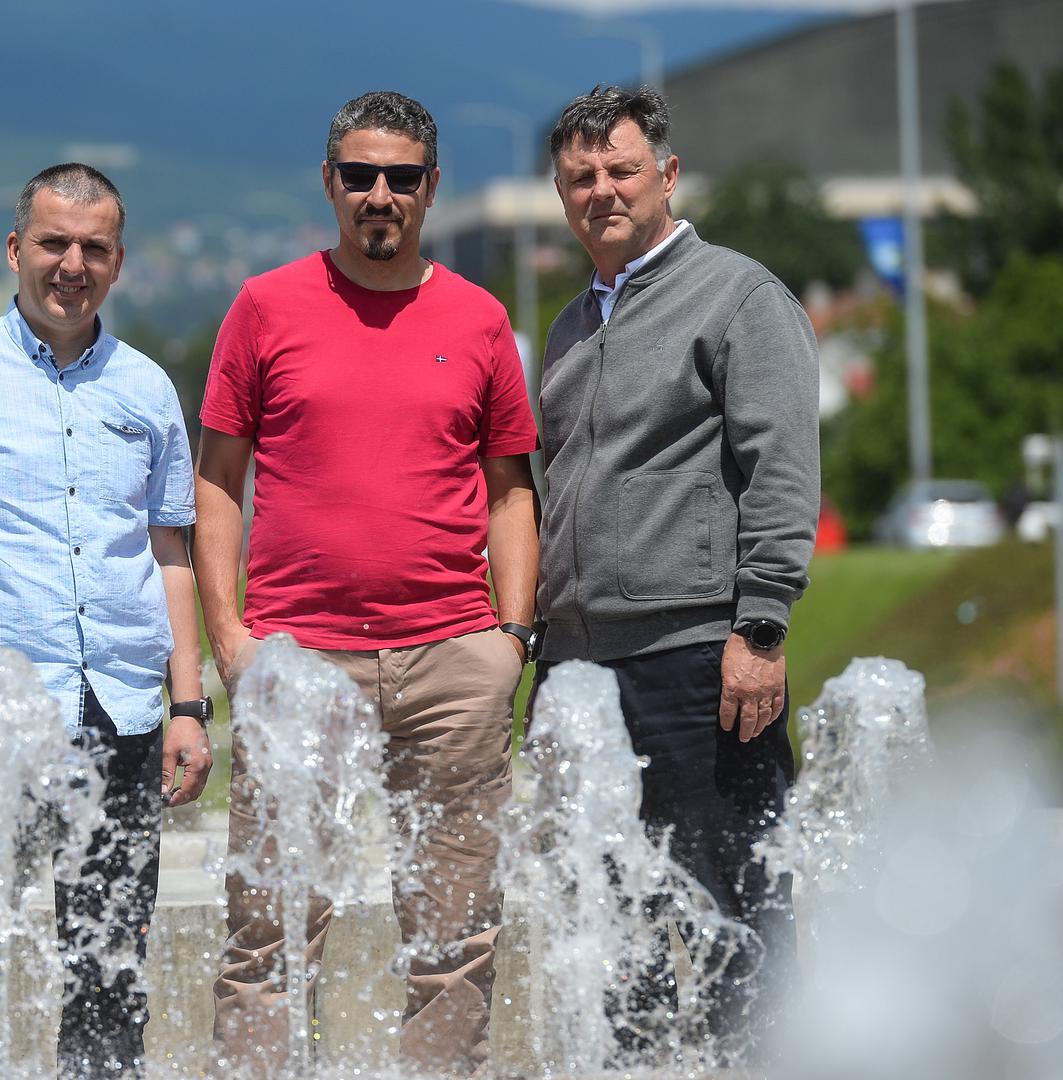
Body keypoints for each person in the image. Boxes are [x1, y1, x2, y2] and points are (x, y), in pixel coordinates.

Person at [194, 90, 541, 1076]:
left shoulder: (479, 320)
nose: (378, 194)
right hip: (298, 664)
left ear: (431, 188)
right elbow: (218, 484)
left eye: (400, 177)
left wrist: (508, 643)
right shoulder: (264, 307)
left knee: (456, 934)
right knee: (267, 938)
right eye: (359, 176)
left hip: (451, 663)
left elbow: (512, 493)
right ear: (330, 184)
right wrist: (232, 643)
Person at [0, 163, 212, 1079]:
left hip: (122, 712)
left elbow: (169, 555)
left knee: (111, 962)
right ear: (16, 250)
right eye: (54, 242)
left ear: (119, 261)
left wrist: (188, 706)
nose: (72, 264)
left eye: (93, 248)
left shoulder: (147, 391)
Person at [535, 86, 820, 1055]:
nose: (602, 191)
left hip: (699, 653)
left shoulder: (739, 295)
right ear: (561, 194)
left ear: (667, 175)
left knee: (737, 894)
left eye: (620, 171)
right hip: (579, 663)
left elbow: (782, 469)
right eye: (582, 177)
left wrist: (763, 628)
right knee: (614, 909)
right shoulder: (570, 325)